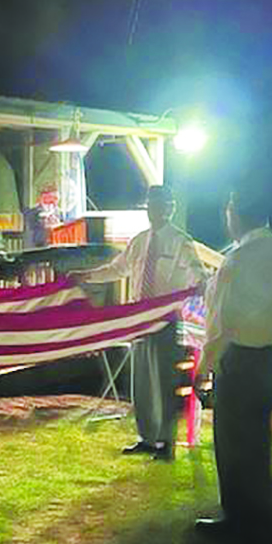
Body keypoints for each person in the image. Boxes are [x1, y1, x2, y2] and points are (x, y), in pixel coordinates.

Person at [194, 187, 272, 544]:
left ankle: (238, 520)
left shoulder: (236, 259)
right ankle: (262, 514)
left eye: (229, 210)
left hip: (238, 362)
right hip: (270, 357)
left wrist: (204, 366)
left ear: (235, 214)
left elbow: (222, 324)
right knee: (260, 441)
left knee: (233, 446)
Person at [78, 184, 206, 460]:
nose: (155, 209)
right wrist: (87, 276)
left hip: (165, 320)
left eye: (161, 204)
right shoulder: (139, 241)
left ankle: (165, 443)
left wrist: (199, 285)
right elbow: (117, 269)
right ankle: (146, 438)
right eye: (150, 204)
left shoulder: (180, 241)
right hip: (138, 321)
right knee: (142, 383)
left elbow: (196, 273)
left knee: (165, 381)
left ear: (170, 207)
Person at [23, 184, 62, 249]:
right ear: (41, 198)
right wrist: (45, 225)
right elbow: (31, 237)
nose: (51, 202)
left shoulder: (62, 214)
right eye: (48, 198)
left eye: (55, 198)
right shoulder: (31, 214)